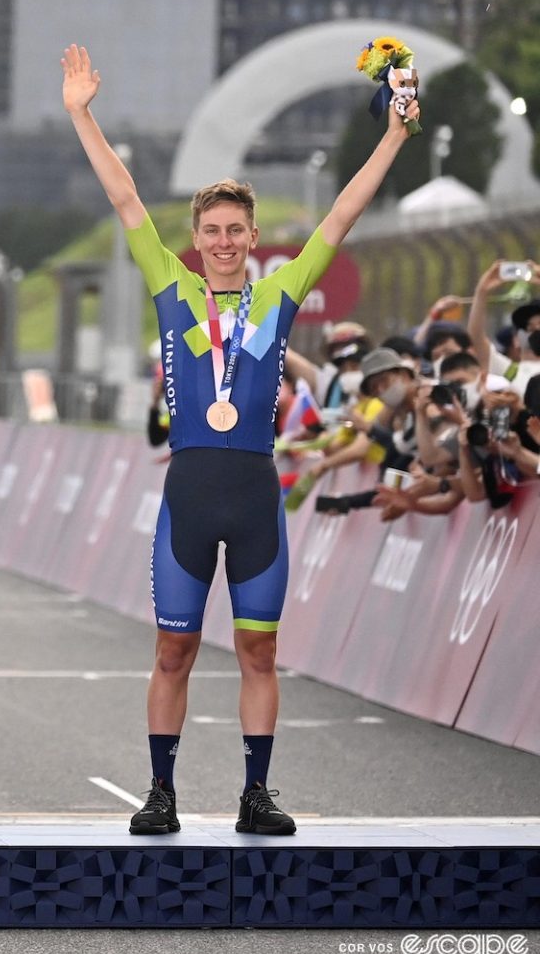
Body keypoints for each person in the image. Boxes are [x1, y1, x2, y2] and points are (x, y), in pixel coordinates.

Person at [61, 43, 409, 837]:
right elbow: (123, 198)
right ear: (195, 236)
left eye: (234, 230)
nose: (222, 240)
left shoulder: (280, 293)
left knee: (259, 654)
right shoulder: (171, 287)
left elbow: (343, 214)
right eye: (211, 229)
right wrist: (82, 113)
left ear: (253, 237)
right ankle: (160, 791)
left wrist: (392, 134)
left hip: (255, 494)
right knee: (173, 654)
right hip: (191, 495)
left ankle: (257, 793)